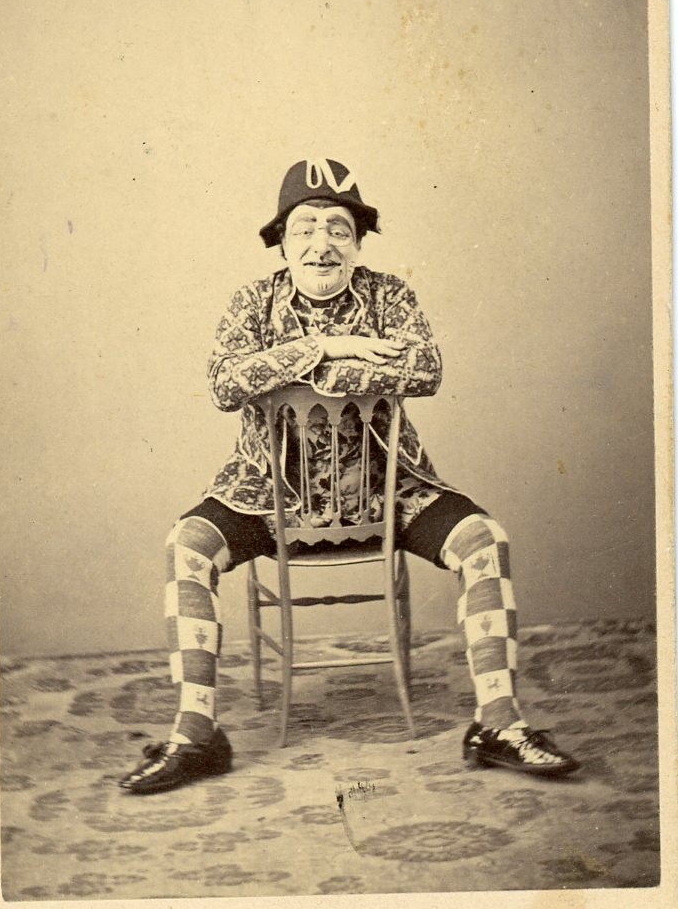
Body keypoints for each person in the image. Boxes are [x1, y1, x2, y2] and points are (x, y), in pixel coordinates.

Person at [120, 158, 580, 794]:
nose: (322, 244)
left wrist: (298, 374)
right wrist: (326, 347)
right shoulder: (252, 302)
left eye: (339, 228)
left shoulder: (390, 295)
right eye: (304, 228)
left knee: (485, 539)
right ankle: (196, 736)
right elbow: (226, 384)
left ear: (359, 243)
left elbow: (425, 368)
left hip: (388, 491)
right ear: (282, 243)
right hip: (268, 495)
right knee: (186, 547)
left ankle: (499, 724)